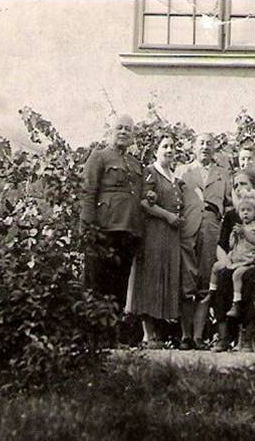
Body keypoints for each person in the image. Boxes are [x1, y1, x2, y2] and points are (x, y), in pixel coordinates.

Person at [211, 169, 255, 352]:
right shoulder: (232, 215)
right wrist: (226, 263)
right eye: (235, 185)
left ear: (254, 186)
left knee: (251, 277)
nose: (238, 188)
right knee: (223, 274)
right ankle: (224, 336)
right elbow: (221, 246)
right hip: (236, 262)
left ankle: (248, 335)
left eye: (243, 183)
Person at [80, 114, 143, 311]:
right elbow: (87, 192)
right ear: (111, 132)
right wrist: (88, 228)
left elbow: (138, 196)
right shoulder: (99, 156)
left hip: (128, 230)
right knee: (97, 282)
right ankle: (94, 337)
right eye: (120, 128)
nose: (124, 132)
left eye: (128, 129)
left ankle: (114, 335)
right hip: (104, 229)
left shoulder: (135, 164)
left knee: (120, 282)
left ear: (133, 136)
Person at [175, 133, 232, 350]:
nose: (205, 147)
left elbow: (228, 204)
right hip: (188, 228)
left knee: (207, 280)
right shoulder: (183, 171)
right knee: (186, 278)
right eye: (201, 143)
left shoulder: (222, 174)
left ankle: (198, 336)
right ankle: (185, 336)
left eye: (209, 143)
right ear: (194, 147)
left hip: (211, 227)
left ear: (215, 148)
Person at [126, 135, 184, 348]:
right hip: (154, 231)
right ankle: (147, 334)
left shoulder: (173, 176)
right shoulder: (151, 172)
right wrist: (167, 216)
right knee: (150, 276)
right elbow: (144, 201)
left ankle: (157, 334)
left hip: (171, 235)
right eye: (164, 146)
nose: (169, 150)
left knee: (165, 276)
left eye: (172, 146)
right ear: (156, 151)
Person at [209, 195, 255, 318]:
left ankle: (236, 303)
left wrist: (245, 233)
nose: (245, 213)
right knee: (215, 267)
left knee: (237, 275)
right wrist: (235, 236)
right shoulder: (238, 227)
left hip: (248, 259)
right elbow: (231, 245)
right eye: (242, 210)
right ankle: (211, 293)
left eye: (249, 210)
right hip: (236, 257)